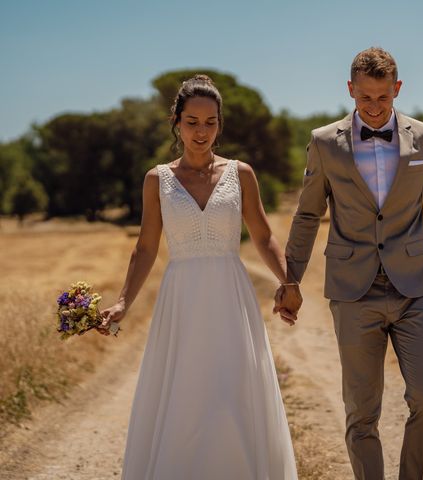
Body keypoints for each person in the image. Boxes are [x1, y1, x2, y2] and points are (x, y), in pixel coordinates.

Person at [276, 47, 423, 480]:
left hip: (414, 288)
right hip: (352, 291)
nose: (374, 108)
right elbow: (308, 214)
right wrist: (291, 280)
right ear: (350, 90)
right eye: (365, 98)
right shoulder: (325, 142)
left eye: (383, 98)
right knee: (361, 413)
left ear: (397, 89)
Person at [98, 74, 299, 479]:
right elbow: (146, 248)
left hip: (230, 296)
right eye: (192, 121)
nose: (201, 131)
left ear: (220, 125)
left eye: (210, 122)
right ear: (176, 122)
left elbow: (263, 235)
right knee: (186, 398)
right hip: (183, 299)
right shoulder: (157, 180)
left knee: (232, 393)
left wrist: (287, 282)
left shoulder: (241, 174)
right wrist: (122, 302)